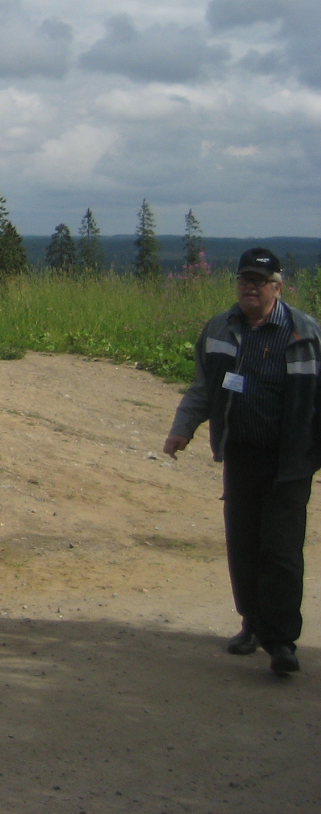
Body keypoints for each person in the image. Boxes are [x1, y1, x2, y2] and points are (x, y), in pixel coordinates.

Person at [163, 247, 321, 675]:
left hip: (291, 460)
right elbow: (204, 387)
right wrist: (182, 428)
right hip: (242, 454)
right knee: (245, 544)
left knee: (282, 549)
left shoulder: (306, 333)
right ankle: (252, 624)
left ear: (277, 288)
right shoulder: (220, 328)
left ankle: (281, 641)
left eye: (260, 281)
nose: (251, 287)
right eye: (245, 280)